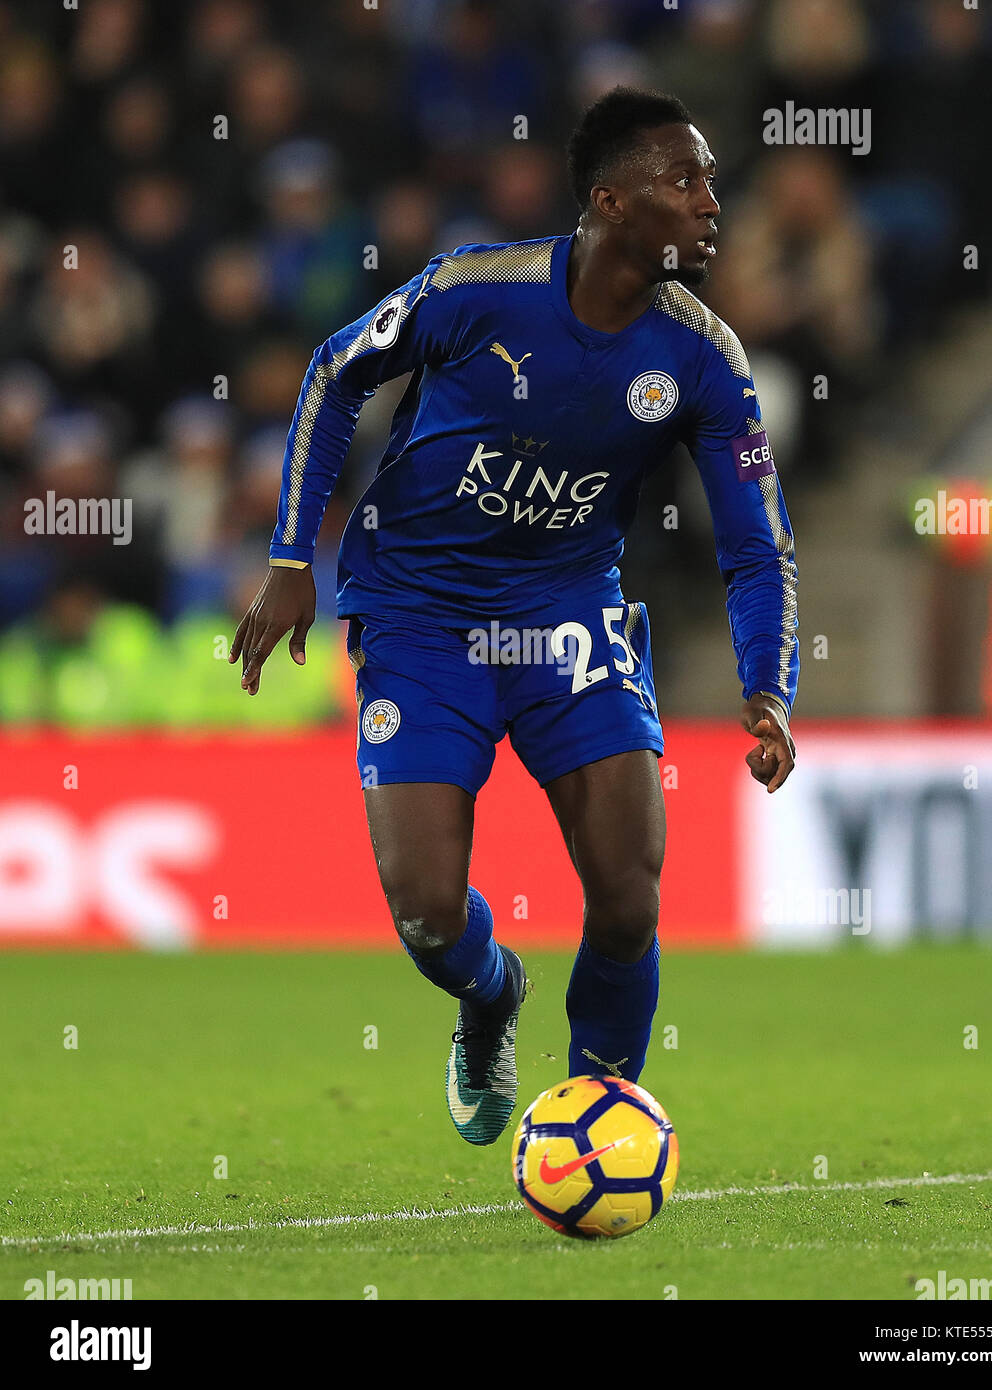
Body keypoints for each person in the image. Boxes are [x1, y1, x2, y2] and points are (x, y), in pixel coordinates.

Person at [230, 88, 798, 1146]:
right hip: (419, 616)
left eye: (712, 178)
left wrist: (767, 686)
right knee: (427, 916)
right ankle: (491, 995)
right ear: (613, 201)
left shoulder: (704, 358)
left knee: (629, 896)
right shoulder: (475, 291)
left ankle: (598, 1120)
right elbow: (333, 373)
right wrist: (289, 555)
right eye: (689, 180)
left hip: (567, 618)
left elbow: (757, 542)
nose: (713, 201)